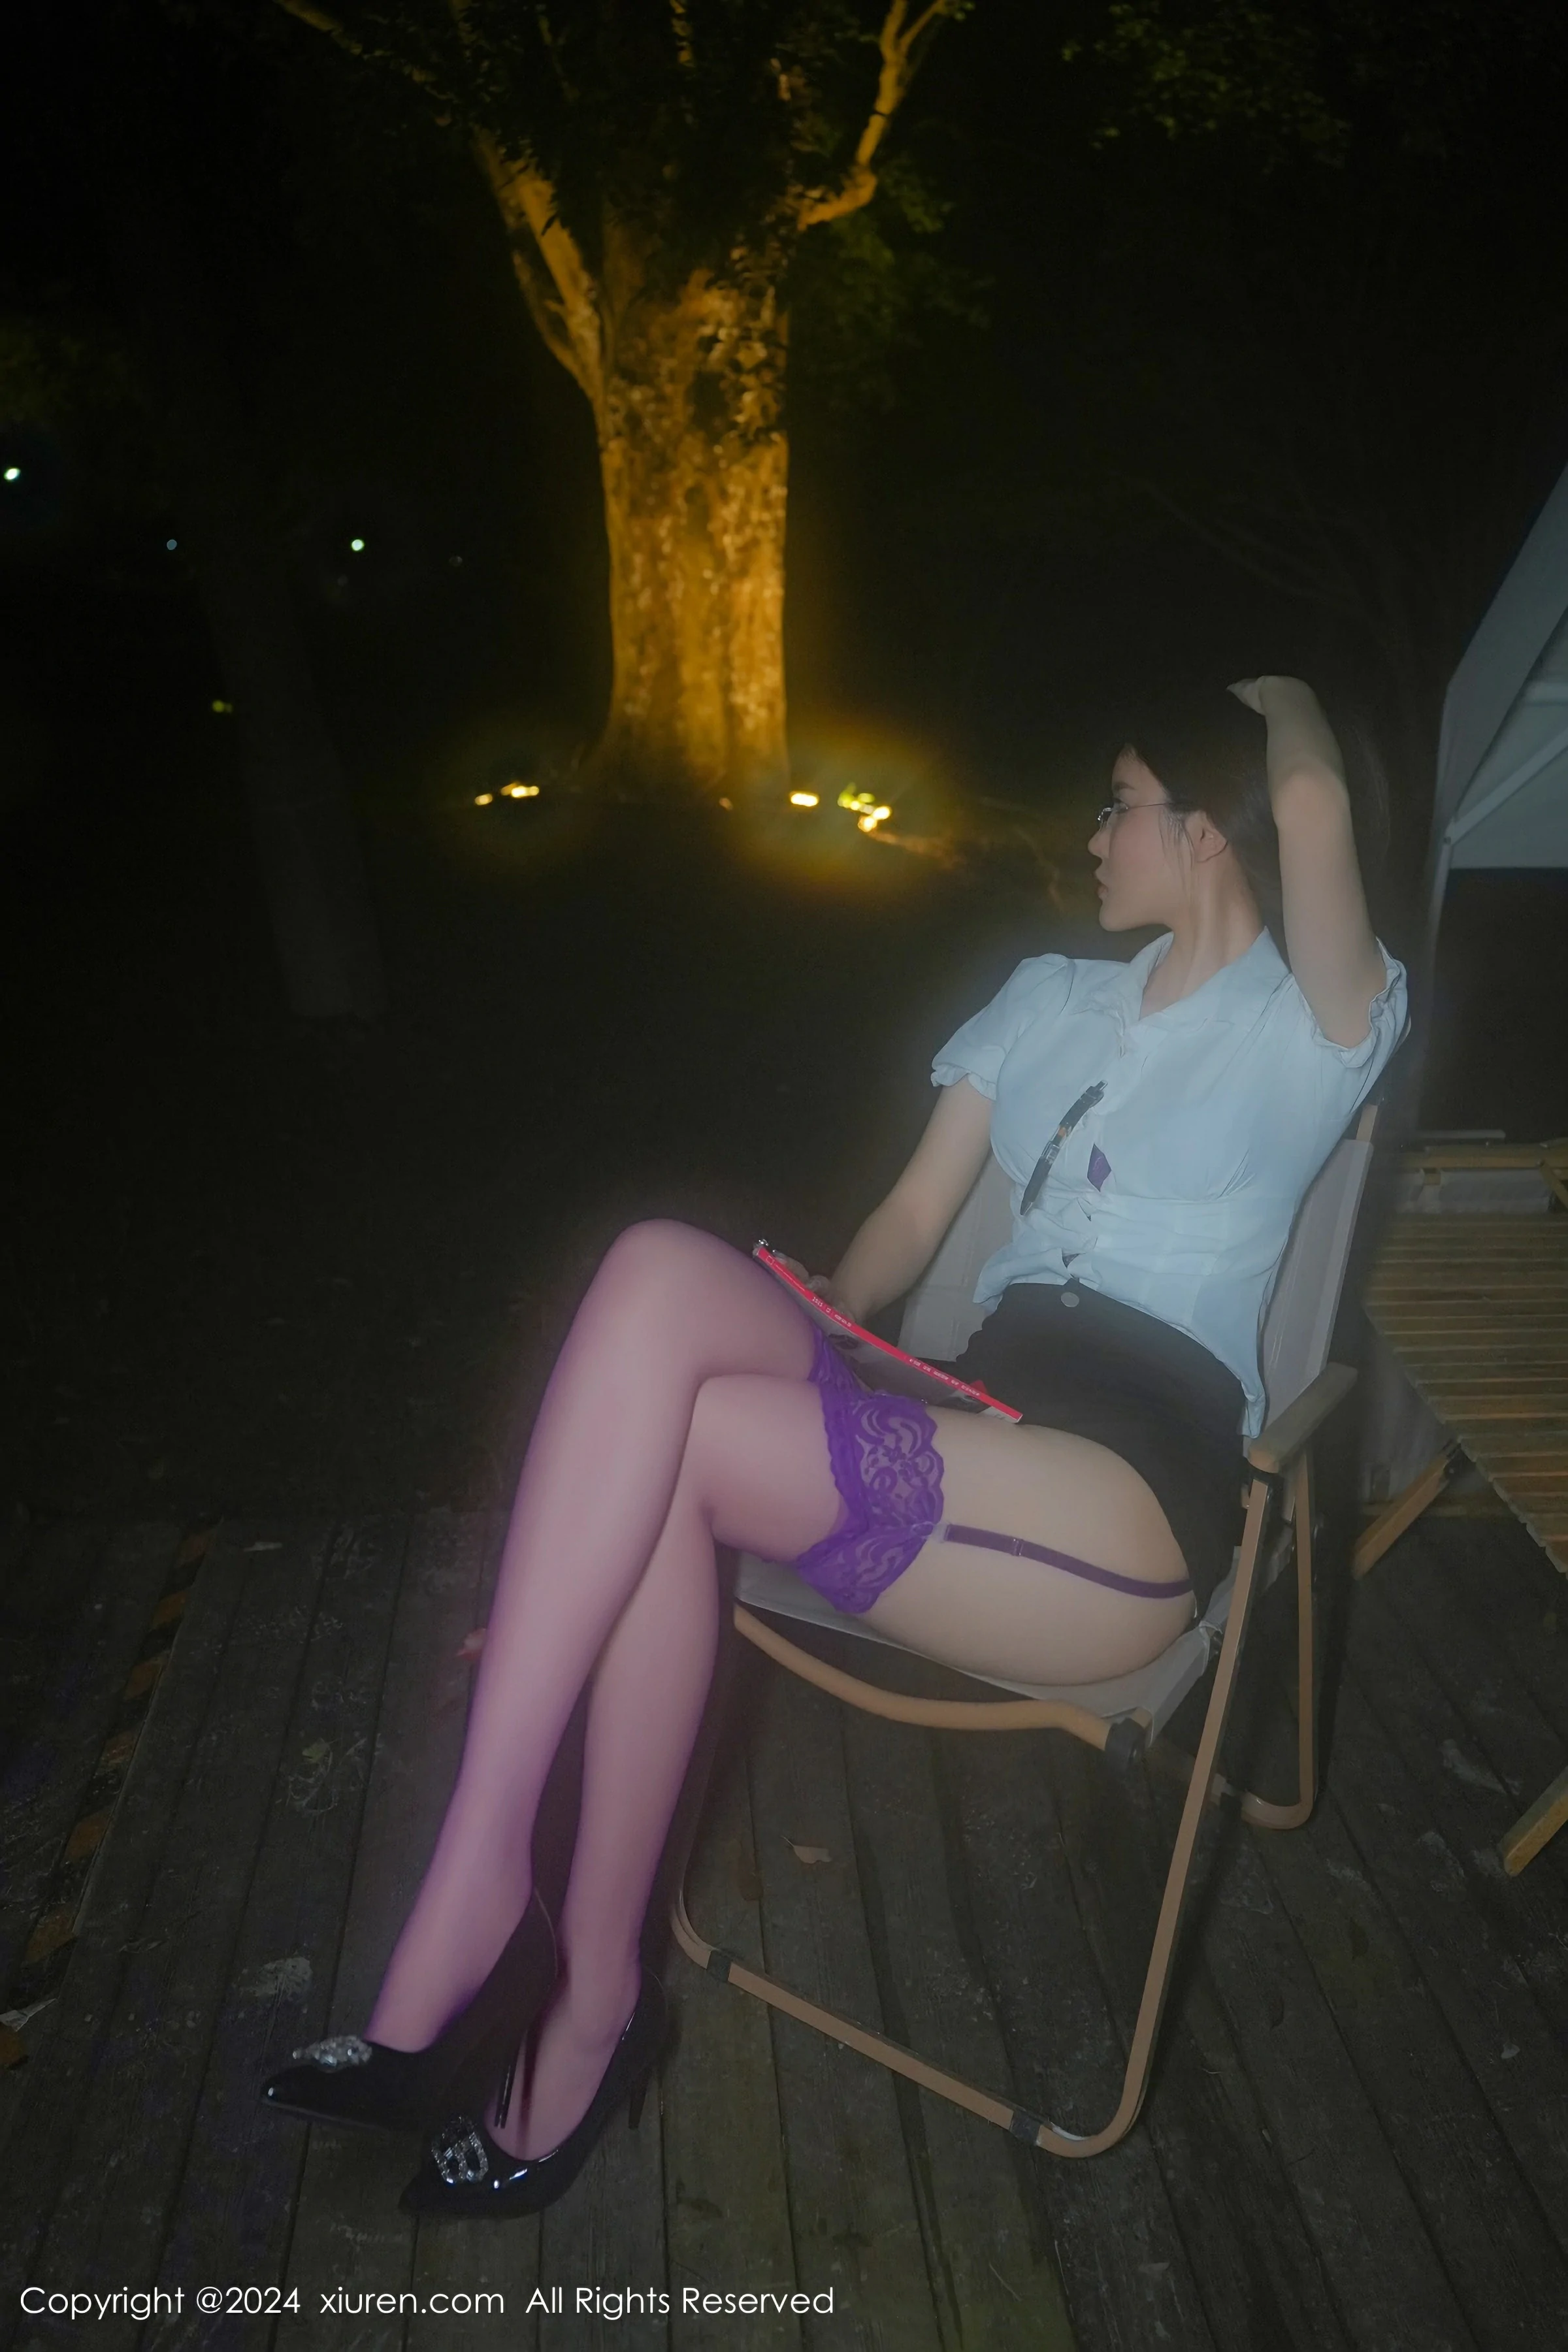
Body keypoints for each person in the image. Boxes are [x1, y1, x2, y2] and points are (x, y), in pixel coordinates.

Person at [261, 673, 1409, 2217]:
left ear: (1208, 830)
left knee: (664, 1455)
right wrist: (820, 1317)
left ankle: (542, 1971)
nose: (1091, 833)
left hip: (1125, 1498)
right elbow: (910, 1224)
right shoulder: (1047, 995)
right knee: (659, 1275)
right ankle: (557, 1953)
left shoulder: (1316, 1025)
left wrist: (1284, 701)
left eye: (1122, 804)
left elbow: (1315, 800)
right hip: (965, 1417)